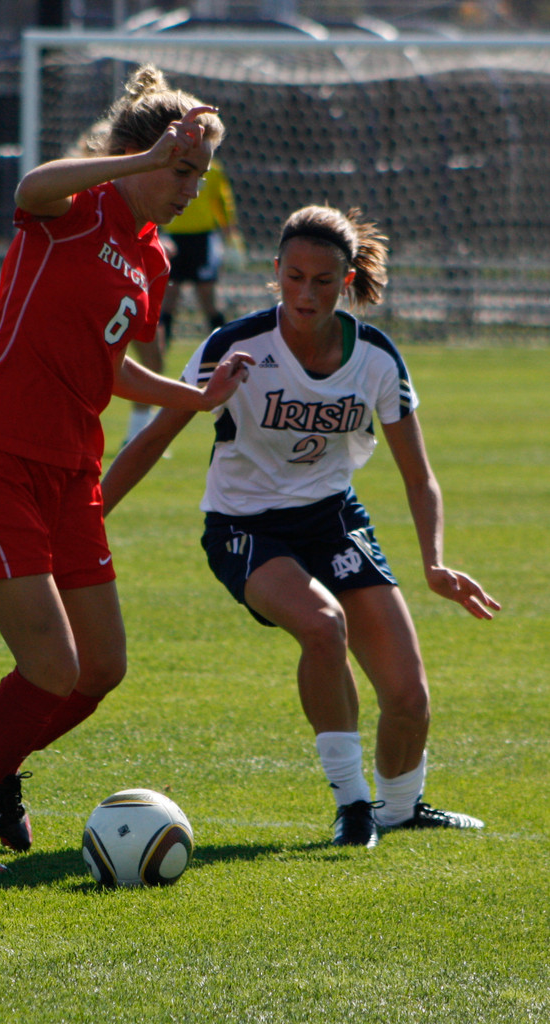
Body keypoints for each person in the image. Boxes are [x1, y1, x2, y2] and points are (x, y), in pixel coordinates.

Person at [0, 64, 252, 873]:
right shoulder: (76, 209)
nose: (189, 188)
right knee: (50, 666)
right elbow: (32, 183)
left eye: (197, 174)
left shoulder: (153, 260)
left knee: (99, 668)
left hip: (70, 472)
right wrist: (137, 163)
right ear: (138, 154)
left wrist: (197, 395)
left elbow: (110, 369)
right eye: (181, 170)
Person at [101, 203, 501, 848]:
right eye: (293, 277)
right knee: (323, 626)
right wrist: (91, 518)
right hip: (245, 525)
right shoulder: (235, 346)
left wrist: (433, 561)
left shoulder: (375, 358)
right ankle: (354, 808)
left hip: (334, 520)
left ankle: (401, 808)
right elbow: (152, 437)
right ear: (276, 273)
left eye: (322, 281)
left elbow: (418, 475)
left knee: (408, 694)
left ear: (346, 281)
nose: (305, 293)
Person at [123, 155, 243, 443]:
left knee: (208, 300)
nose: (191, 186)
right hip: (173, 235)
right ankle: (159, 349)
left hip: (201, 238)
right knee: (168, 300)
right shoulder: (165, 170)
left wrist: (230, 236)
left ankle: (227, 348)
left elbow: (223, 202)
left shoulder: (213, 170)